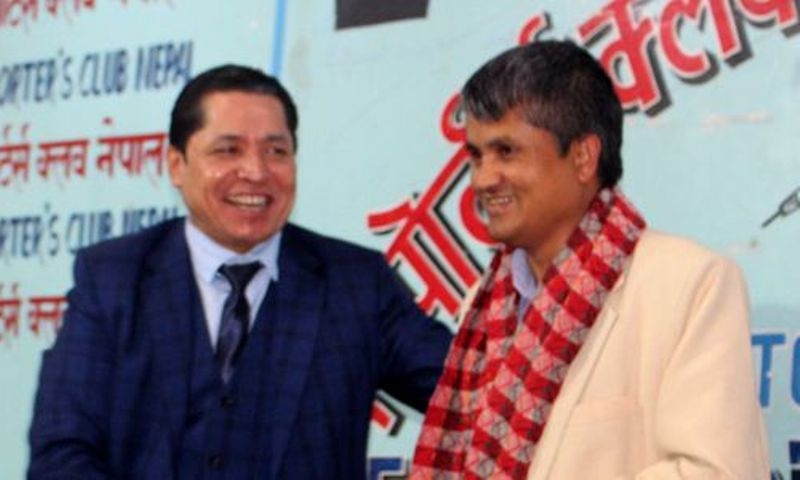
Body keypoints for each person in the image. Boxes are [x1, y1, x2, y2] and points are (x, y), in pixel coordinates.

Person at [28, 64, 453, 480]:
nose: (255, 171)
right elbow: (61, 453)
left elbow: (469, 398)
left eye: (276, 151)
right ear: (176, 164)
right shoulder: (112, 279)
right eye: (228, 150)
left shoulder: (356, 284)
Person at [411, 40, 769, 479]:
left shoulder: (691, 283)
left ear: (583, 157)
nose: (483, 179)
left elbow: (717, 473)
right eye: (476, 156)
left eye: (506, 152)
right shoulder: (483, 305)